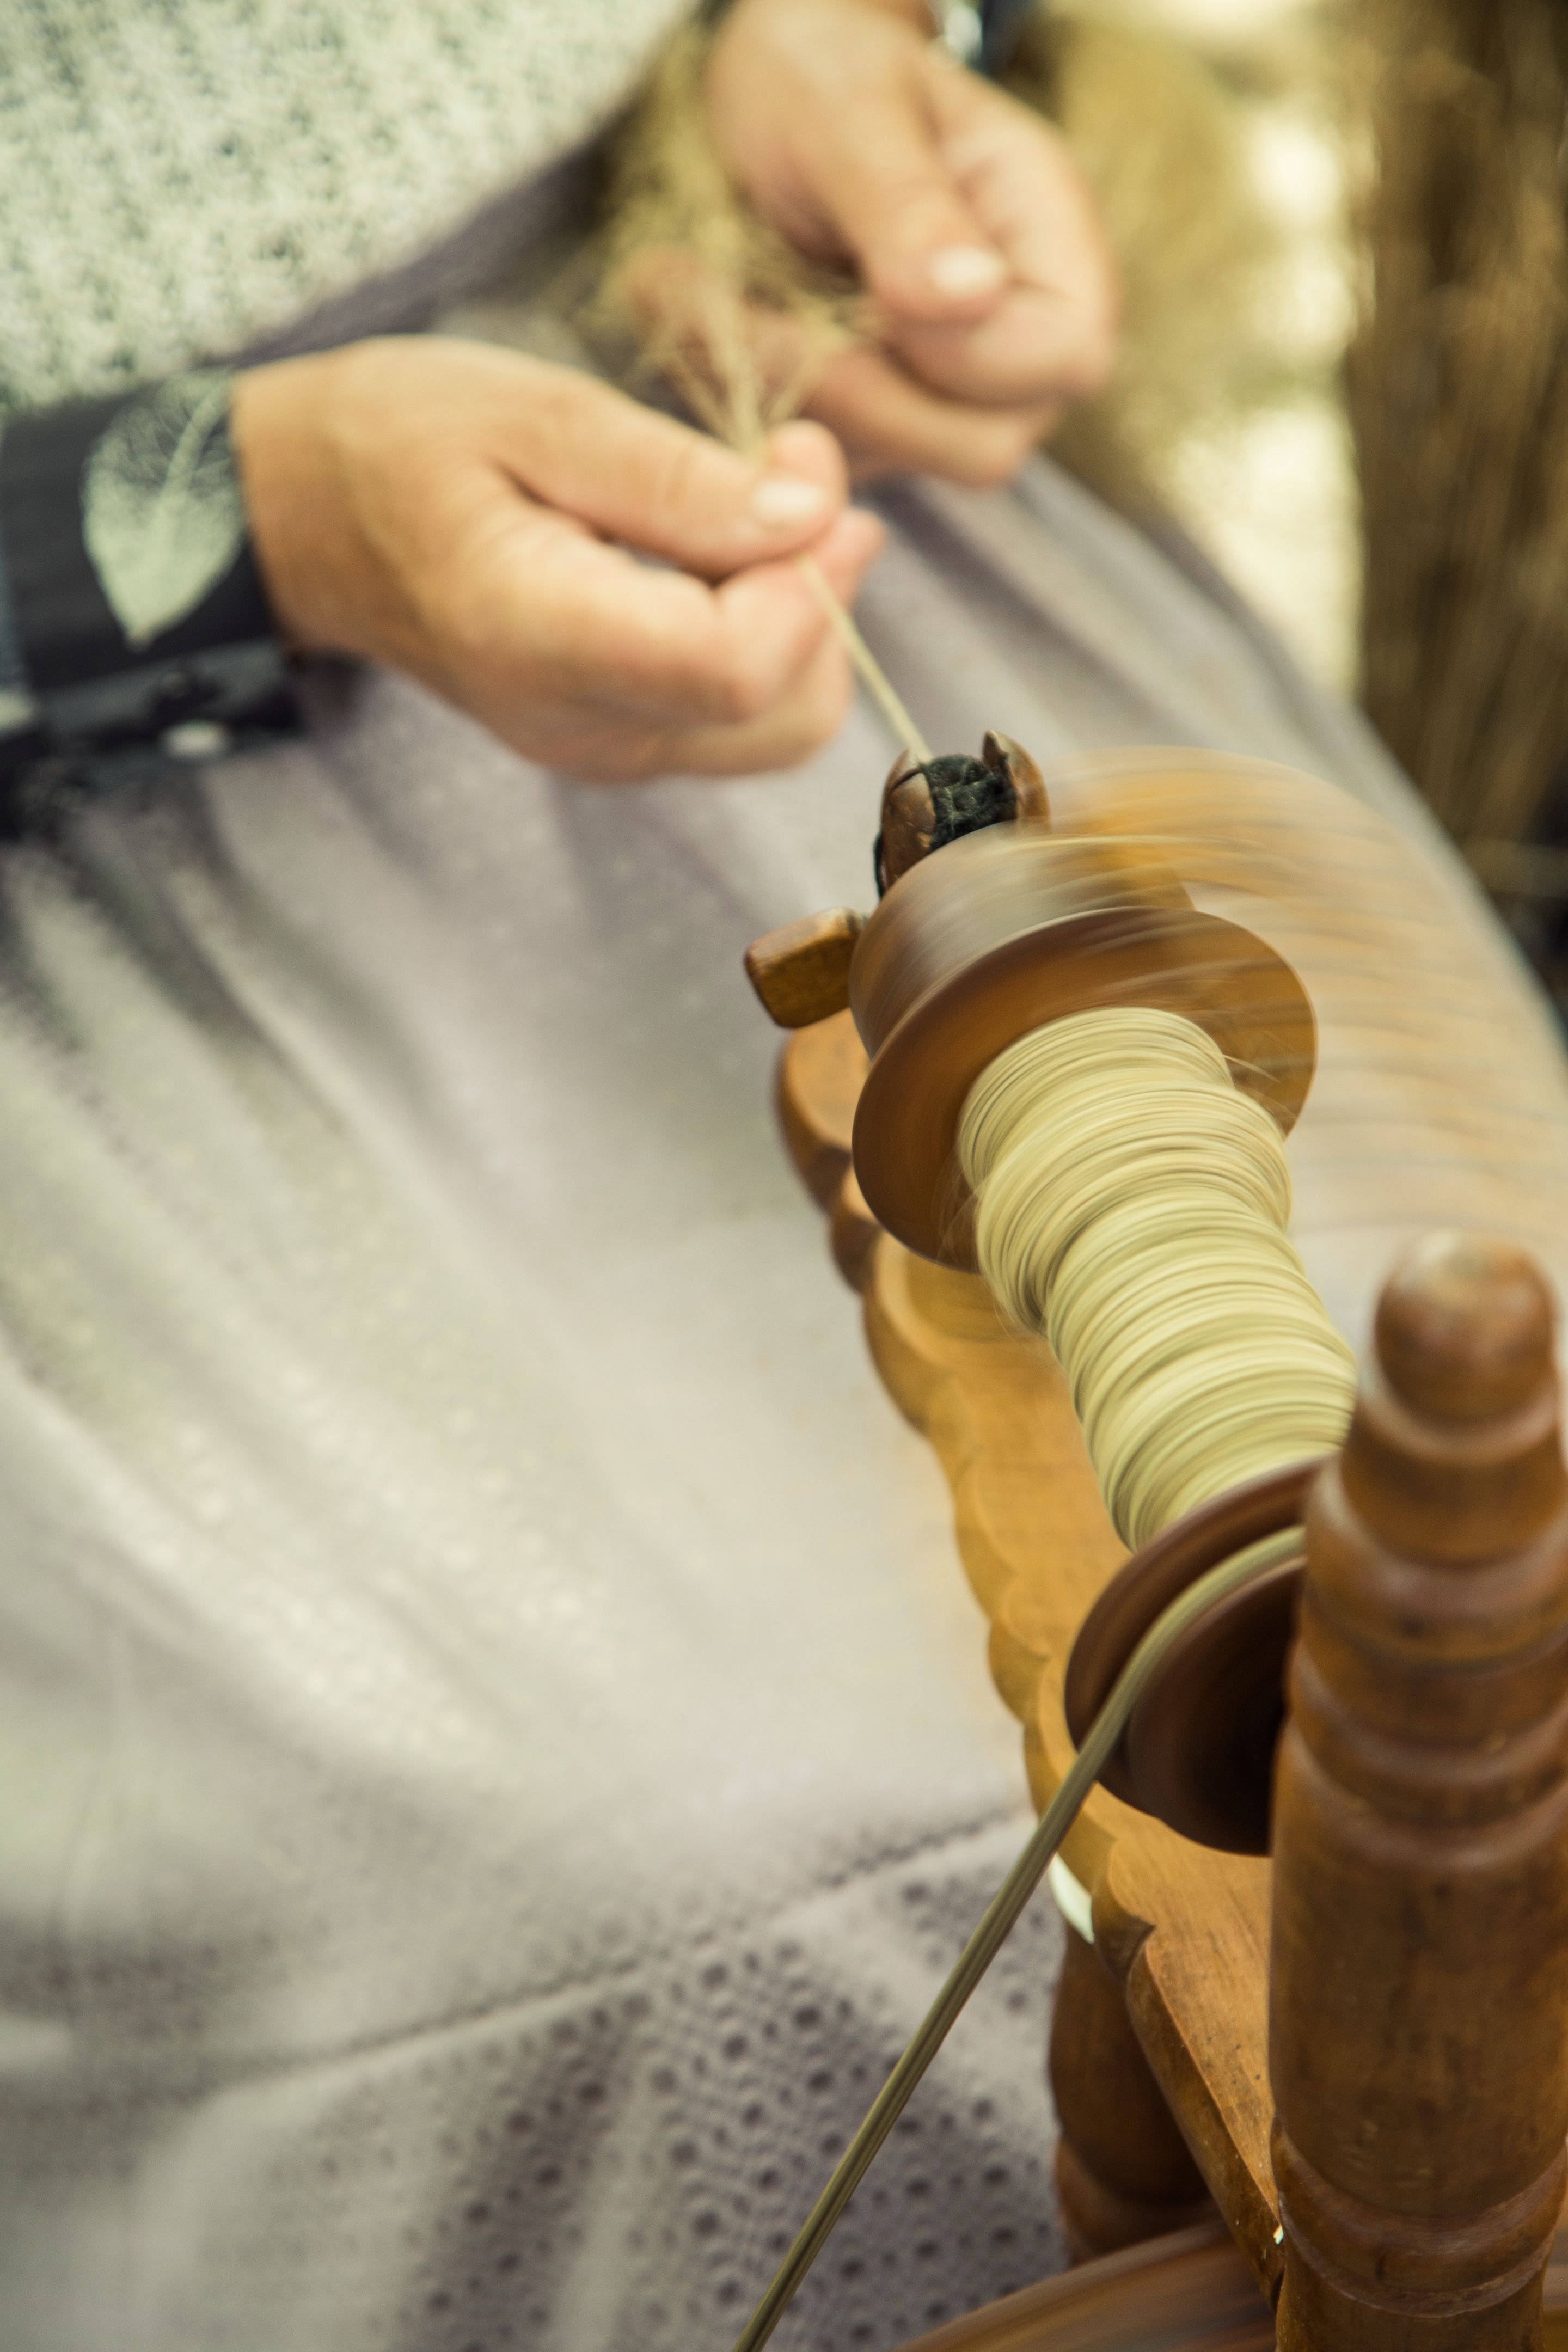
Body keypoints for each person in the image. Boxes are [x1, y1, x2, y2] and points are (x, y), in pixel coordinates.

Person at [3, 4, 1568, 2351]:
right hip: (109, 765)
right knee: (714, 1896)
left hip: (727, 339)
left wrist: (839, 46)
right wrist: (238, 513)